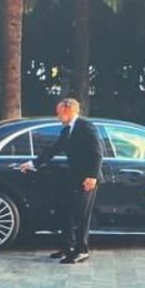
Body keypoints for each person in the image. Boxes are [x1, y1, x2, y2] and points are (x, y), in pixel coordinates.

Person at [20, 98, 103, 264]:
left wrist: (92, 176)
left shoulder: (85, 126)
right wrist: (33, 163)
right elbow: (54, 149)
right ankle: (67, 247)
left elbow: (97, 153)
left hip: (87, 178)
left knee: (81, 214)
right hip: (74, 177)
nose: (57, 116)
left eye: (58, 112)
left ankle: (82, 250)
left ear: (67, 109)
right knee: (67, 213)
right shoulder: (67, 130)